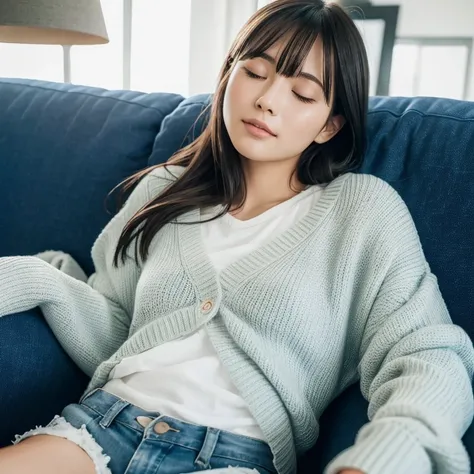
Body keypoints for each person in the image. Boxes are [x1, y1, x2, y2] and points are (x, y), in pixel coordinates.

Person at [0, 0, 473, 473]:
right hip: (100, 426)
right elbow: (117, 319)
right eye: (255, 71)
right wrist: (35, 278)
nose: (267, 99)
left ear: (329, 125)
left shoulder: (362, 211)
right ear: (229, 74)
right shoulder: (164, 189)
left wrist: (385, 456)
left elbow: (425, 351)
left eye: (303, 94)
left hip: (231, 456)